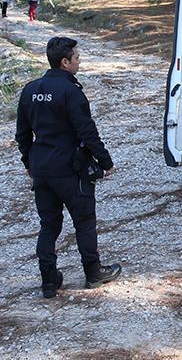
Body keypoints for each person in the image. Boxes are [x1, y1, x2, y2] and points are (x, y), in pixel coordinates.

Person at [15, 37, 121, 299]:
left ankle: (49, 281)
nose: (79, 60)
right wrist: (106, 162)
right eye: (76, 58)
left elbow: (22, 134)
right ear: (64, 62)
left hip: (42, 170)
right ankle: (94, 273)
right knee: (84, 222)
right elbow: (87, 131)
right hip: (70, 170)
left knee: (48, 225)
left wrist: (29, 163)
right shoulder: (71, 92)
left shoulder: (30, 90)